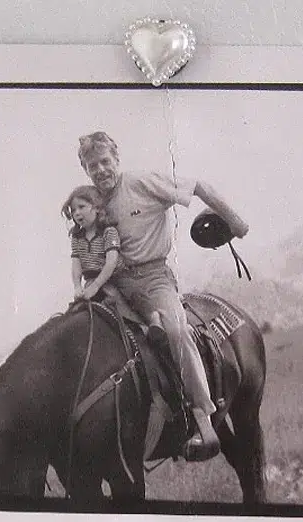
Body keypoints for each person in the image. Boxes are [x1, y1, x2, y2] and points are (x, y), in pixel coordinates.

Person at [76, 131, 250, 461]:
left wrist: (235, 222)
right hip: (111, 284)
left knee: (176, 331)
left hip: (153, 279)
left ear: (116, 159)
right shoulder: (89, 200)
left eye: (104, 161)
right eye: (91, 164)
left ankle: (202, 415)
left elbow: (198, 186)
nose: (100, 170)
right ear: (85, 169)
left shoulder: (142, 183)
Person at [61, 185, 125, 303]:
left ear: (96, 208)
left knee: (126, 304)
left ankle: (152, 317)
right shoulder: (77, 237)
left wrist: (96, 286)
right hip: (90, 282)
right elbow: (76, 265)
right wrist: (77, 286)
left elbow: (111, 262)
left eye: (81, 207)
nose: (77, 213)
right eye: (73, 210)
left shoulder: (108, 232)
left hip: (113, 280)